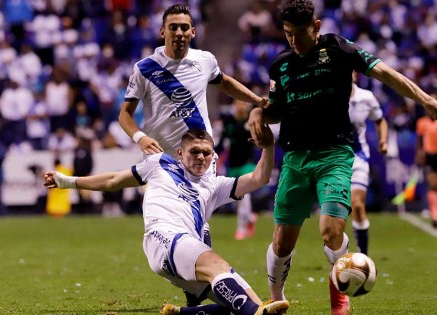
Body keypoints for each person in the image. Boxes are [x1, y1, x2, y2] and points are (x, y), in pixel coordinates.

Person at [246, 1, 437, 314]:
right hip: (295, 158)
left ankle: (340, 296)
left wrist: (425, 100)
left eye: (300, 33)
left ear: (317, 27)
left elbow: (386, 73)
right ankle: (275, 297)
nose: (294, 40)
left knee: (331, 229)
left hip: (334, 154)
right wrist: (258, 113)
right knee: (282, 241)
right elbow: (276, 109)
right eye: (287, 34)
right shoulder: (281, 65)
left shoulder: (339, 49)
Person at [44, 129, 289, 315]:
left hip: (188, 251)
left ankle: (183, 313)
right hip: (163, 237)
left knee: (250, 303)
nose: (201, 157)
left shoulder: (214, 186)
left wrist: (267, 147)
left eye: (206, 152)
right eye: (195, 151)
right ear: (181, 153)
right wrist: (68, 181)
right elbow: (112, 180)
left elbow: (259, 177)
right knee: (218, 265)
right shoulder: (159, 163)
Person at [118, 4, 267, 305]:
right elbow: (124, 115)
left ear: (193, 31)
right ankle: (200, 296)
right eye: (173, 27)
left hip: (199, 160)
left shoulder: (204, 61)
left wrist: (256, 101)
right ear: (163, 31)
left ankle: (195, 301)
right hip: (165, 163)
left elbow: (224, 82)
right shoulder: (145, 69)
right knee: (181, 233)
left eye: (185, 27)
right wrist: (140, 136)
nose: (179, 32)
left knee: (199, 234)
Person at [348, 72, 388, 255]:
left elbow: (380, 120)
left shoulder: (366, 97)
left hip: (358, 156)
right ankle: (338, 260)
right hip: (332, 158)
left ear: (354, 75)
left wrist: (383, 141)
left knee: (357, 205)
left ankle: (363, 255)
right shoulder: (327, 95)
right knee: (335, 214)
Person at [216, 99, 258, 240]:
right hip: (233, 164)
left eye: (243, 103)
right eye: (238, 103)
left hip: (248, 163)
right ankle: (251, 217)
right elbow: (222, 142)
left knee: (244, 195)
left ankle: (241, 229)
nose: (241, 106)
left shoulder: (251, 121)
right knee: (240, 198)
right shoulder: (229, 122)